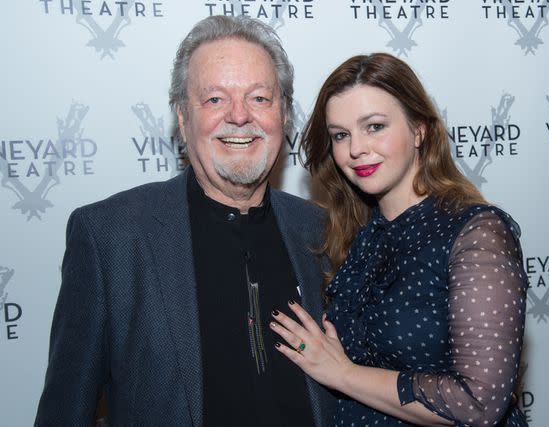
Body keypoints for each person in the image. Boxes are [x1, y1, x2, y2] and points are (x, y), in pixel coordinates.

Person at [35, 15, 335, 426]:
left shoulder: (320, 231)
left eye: (260, 98)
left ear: (283, 114)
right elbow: (65, 413)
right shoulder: (111, 238)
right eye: (214, 99)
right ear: (181, 117)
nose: (239, 116)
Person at [270, 53, 528, 426]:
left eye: (374, 126)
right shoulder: (357, 235)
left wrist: (342, 373)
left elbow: (478, 404)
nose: (356, 148)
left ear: (419, 129)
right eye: (341, 135)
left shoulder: (476, 234)